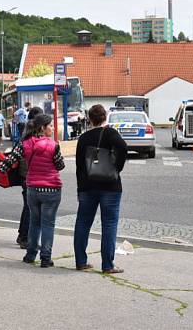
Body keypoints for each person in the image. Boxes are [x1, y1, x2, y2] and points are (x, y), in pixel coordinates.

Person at [73, 104, 128, 274]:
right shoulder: (111, 133)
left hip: (87, 186)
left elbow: (79, 165)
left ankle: (81, 261)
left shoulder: (83, 138)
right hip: (110, 186)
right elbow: (123, 148)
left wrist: (80, 188)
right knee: (109, 224)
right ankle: (107, 265)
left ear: (89, 119)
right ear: (105, 116)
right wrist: (116, 168)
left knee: (83, 223)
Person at [20, 113, 64, 267]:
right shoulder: (54, 145)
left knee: (34, 222)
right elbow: (60, 166)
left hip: (32, 188)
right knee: (48, 224)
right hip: (52, 190)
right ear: (42, 128)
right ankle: (45, 258)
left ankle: (30, 255)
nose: (53, 128)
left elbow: (10, 161)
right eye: (50, 126)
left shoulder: (25, 143)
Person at [0, 106, 43, 248]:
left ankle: (22, 236)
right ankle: (24, 238)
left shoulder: (26, 135)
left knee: (28, 207)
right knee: (30, 208)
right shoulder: (32, 138)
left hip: (26, 176)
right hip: (28, 177)